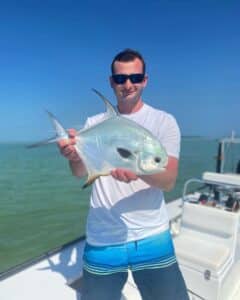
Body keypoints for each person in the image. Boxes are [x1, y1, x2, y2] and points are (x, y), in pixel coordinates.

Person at [58, 49, 189, 300]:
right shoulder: (94, 122)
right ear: (111, 82)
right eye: (120, 79)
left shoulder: (164, 122)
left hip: (152, 236)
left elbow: (169, 179)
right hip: (102, 237)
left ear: (145, 80)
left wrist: (139, 172)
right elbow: (79, 172)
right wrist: (74, 156)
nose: (128, 84)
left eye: (134, 77)